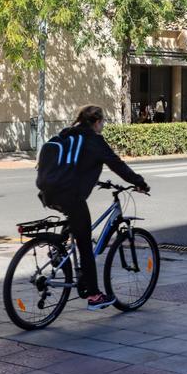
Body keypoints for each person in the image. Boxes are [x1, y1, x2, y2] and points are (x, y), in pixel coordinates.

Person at [36, 106, 149, 310]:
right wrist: (139, 182)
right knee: (85, 243)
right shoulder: (93, 140)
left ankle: (59, 250)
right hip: (70, 195)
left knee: (75, 221)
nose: (103, 125)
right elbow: (117, 164)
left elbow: (73, 166)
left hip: (48, 192)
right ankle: (95, 296)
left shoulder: (67, 135)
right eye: (102, 121)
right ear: (96, 122)